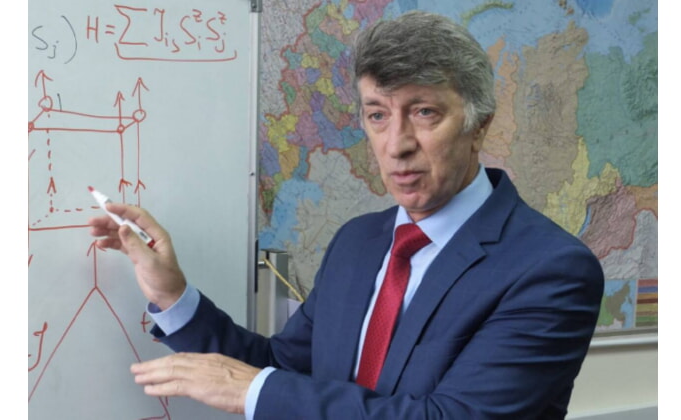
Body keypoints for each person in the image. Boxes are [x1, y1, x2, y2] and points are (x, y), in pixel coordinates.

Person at [89, 10, 604, 419]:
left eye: (424, 112)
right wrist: (172, 296)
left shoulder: (550, 269)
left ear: (479, 125)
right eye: (378, 115)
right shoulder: (358, 242)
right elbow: (280, 368)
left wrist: (257, 391)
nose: (396, 144)